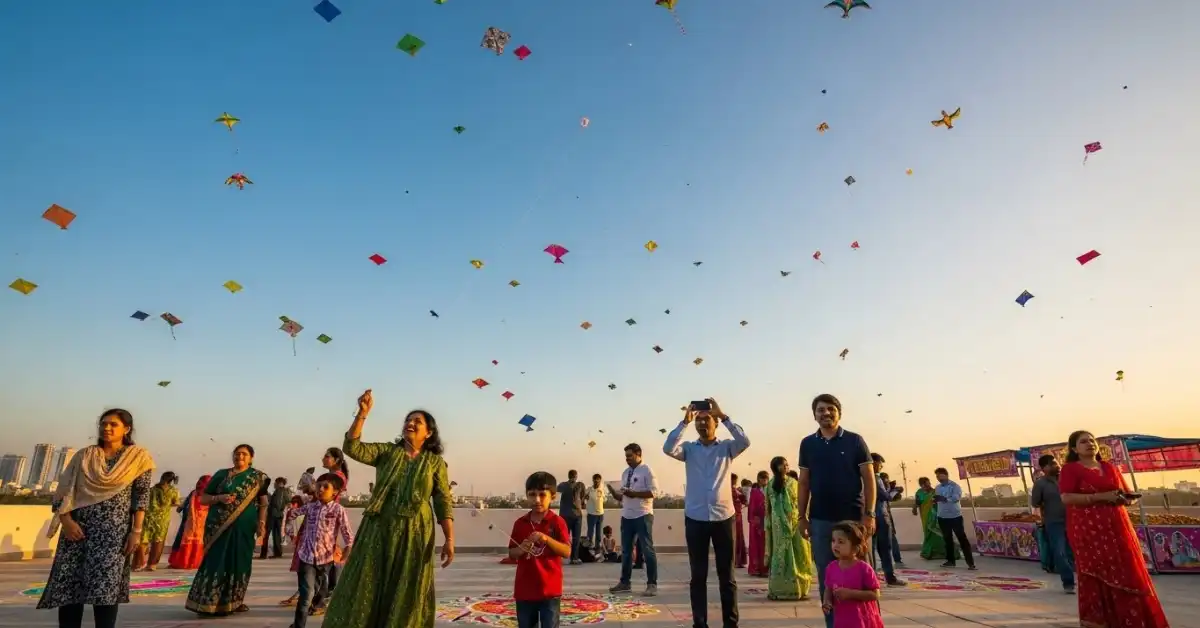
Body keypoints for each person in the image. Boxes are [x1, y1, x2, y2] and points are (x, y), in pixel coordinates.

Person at [321, 389, 456, 628]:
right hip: (379, 528)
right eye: (408, 420)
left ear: (429, 433)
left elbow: (443, 501)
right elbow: (352, 447)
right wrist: (362, 414)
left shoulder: (435, 463)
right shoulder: (386, 452)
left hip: (416, 531)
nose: (410, 423)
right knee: (369, 580)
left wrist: (449, 538)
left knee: (407, 584)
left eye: (417, 421)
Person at [37, 409, 155, 628]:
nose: (106, 428)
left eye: (113, 424)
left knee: (105, 590)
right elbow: (63, 491)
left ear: (126, 429)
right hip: (77, 531)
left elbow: (141, 498)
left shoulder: (138, 458)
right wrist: (67, 522)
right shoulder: (85, 455)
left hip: (113, 534)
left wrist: (136, 532)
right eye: (103, 424)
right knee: (70, 588)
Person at [1059, 430, 1170, 627]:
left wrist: (1125, 499)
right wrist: (1100, 497)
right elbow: (1066, 498)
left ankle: (1133, 620)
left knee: (1128, 571)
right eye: (1083, 442)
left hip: (1117, 526)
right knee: (1096, 573)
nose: (1090, 444)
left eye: (1092, 440)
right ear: (1075, 449)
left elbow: (1125, 495)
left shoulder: (1110, 468)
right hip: (1088, 530)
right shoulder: (1070, 470)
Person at [663, 398, 750, 628]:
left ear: (715, 423)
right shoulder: (689, 449)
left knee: (727, 577)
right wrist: (684, 423)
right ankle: (699, 623)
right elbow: (668, 448)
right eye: (698, 421)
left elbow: (745, 440)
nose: (702, 424)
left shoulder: (727, 447)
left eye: (706, 420)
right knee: (698, 576)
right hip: (696, 518)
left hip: (724, 517)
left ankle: (731, 623)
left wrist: (724, 415)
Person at [796, 394, 876, 628]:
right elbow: (804, 482)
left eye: (830, 409)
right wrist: (802, 517)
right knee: (827, 579)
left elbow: (869, 480)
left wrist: (869, 514)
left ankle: (866, 623)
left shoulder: (855, 441)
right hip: (820, 521)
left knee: (859, 576)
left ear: (839, 412)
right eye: (820, 410)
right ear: (814, 415)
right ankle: (834, 624)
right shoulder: (808, 444)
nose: (825, 413)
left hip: (852, 520)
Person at [184, 444, 271, 616]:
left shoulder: (258, 478)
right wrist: (219, 498)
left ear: (251, 458)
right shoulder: (221, 474)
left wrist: (261, 522)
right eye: (237, 453)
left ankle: (235, 602)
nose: (240, 456)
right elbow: (203, 498)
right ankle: (206, 602)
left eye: (244, 454)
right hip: (217, 527)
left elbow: (263, 502)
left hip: (245, 528)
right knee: (216, 561)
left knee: (240, 562)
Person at [286, 473, 354, 628]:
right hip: (307, 557)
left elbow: (347, 534)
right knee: (306, 595)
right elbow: (291, 515)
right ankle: (298, 625)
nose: (321, 489)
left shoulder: (338, 510)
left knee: (320, 592)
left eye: (326, 487)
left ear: (335, 492)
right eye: (319, 486)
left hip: (326, 560)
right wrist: (292, 534)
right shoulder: (310, 507)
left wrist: (346, 552)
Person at [509, 471, 571, 628]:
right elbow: (511, 553)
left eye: (542, 495)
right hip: (524, 591)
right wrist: (521, 549)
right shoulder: (520, 523)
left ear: (553, 496)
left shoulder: (557, 522)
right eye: (532, 494)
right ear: (527, 495)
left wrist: (547, 539)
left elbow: (566, 551)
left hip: (550, 592)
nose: (537, 499)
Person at [609, 442, 659, 596]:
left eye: (630, 456)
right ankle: (625, 582)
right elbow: (623, 496)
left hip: (643, 515)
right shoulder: (625, 473)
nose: (627, 459)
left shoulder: (647, 470)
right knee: (626, 551)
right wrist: (613, 492)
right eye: (626, 456)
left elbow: (655, 492)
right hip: (627, 516)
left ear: (639, 454)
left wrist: (635, 494)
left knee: (647, 550)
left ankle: (651, 584)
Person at [764, 456, 814, 601]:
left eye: (787, 464)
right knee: (782, 555)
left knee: (800, 553)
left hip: (794, 523)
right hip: (779, 525)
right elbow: (768, 507)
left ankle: (799, 587)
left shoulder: (794, 483)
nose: (786, 467)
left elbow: (803, 503)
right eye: (782, 465)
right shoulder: (771, 485)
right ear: (775, 467)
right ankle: (781, 589)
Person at [820, 522, 884, 628]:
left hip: (862, 620)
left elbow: (875, 594)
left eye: (841, 542)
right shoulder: (831, 568)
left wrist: (851, 594)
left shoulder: (864, 569)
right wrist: (827, 602)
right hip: (842, 619)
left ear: (855, 548)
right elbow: (828, 589)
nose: (835, 545)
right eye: (833, 541)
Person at [1031, 454, 1075, 594]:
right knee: (1060, 552)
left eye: (1057, 463)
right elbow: (1035, 502)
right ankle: (1068, 582)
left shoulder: (1067, 479)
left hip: (1073, 520)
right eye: (1053, 464)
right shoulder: (1040, 484)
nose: (1057, 466)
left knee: (1073, 552)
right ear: (1044, 468)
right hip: (1054, 522)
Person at [868, 455, 905, 586]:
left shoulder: (861, 477)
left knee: (870, 550)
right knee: (885, 548)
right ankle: (890, 577)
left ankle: (870, 578)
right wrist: (895, 490)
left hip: (868, 516)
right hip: (881, 517)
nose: (880, 467)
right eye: (879, 464)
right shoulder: (876, 478)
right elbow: (886, 496)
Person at [932, 467, 976, 570]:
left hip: (955, 516)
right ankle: (950, 561)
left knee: (962, 539)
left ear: (945, 475)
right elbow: (937, 498)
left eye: (939, 475)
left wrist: (945, 499)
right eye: (937, 476)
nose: (938, 478)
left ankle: (970, 563)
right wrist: (936, 500)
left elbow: (956, 498)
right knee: (947, 540)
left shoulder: (954, 486)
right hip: (942, 517)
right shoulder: (938, 487)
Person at [136, 471, 180, 571]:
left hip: (149, 517)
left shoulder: (152, 490)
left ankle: (140, 563)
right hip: (163, 519)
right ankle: (152, 565)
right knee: (158, 542)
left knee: (144, 539)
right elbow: (176, 503)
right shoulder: (174, 491)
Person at [169, 475, 212, 570]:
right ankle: (184, 562)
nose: (199, 483)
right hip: (189, 521)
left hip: (200, 522)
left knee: (195, 540)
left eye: (202, 482)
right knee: (185, 539)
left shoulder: (209, 495)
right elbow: (186, 502)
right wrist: (181, 508)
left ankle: (191, 562)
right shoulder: (194, 493)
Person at [910, 477, 957, 561]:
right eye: (925, 485)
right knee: (929, 535)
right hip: (926, 518)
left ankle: (948, 553)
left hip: (937, 517)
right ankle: (930, 554)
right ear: (921, 485)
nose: (928, 487)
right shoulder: (919, 493)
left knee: (941, 534)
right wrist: (914, 509)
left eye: (928, 484)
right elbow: (917, 503)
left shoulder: (935, 492)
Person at [556, 470, 587, 565]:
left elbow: (556, 490)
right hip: (576, 515)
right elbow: (583, 502)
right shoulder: (580, 485)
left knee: (564, 537)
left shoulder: (563, 485)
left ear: (568, 476)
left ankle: (560, 557)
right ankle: (574, 558)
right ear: (576, 476)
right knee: (576, 537)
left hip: (564, 515)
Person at [261, 477, 293, 560]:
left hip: (273, 515)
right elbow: (288, 501)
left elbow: (277, 503)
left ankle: (263, 554)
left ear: (279, 483)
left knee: (267, 534)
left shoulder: (280, 491)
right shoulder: (285, 491)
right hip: (279, 515)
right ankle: (277, 553)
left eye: (275, 483)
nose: (274, 484)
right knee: (277, 535)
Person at [878, 473, 903, 566]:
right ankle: (885, 562)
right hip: (879, 516)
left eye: (887, 480)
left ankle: (897, 560)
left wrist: (894, 490)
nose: (886, 482)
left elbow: (895, 498)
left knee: (892, 539)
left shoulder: (887, 490)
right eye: (884, 481)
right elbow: (886, 497)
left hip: (887, 516)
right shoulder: (879, 489)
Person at [746, 474, 769, 577]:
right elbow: (751, 506)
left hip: (767, 520)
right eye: (763, 478)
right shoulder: (754, 492)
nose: (764, 480)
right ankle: (755, 568)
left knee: (766, 545)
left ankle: (765, 568)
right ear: (759, 479)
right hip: (757, 521)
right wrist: (753, 520)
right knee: (756, 545)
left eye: (766, 478)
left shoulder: (769, 490)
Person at [731, 473, 748, 569]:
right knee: (735, 539)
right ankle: (735, 561)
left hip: (737, 517)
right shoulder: (733, 491)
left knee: (738, 538)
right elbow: (745, 502)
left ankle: (738, 561)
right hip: (732, 517)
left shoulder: (737, 491)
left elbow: (745, 502)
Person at [585, 474, 606, 548]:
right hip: (591, 514)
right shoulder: (589, 489)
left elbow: (604, 500)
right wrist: (586, 499)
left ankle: (598, 548)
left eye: (598, 481)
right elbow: (584, 499)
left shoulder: (602, 490)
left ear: (600, 481)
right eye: (595, 480)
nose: (597, 482)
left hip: (600, 514)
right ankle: (589, 547)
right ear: (593, 480)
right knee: (590, 532)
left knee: (599, 534)